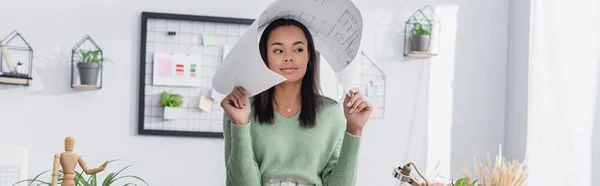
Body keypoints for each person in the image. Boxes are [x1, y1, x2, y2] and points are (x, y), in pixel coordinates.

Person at [221, 18, 372, 186]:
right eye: (278, 51)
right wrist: (240, 124)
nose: (289, 58)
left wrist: (355, 129)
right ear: (264, 57)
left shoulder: (333, 113)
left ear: (309, 56)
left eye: (298, 49)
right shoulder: (241, 110)